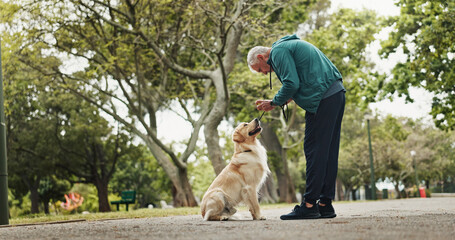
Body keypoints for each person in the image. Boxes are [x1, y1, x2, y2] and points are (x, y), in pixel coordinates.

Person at [247, 34, 345, 220]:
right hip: (335, 93)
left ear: (261, 57)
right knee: (328, 151)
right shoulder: (288, 47)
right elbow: (298, 82)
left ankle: (309, 205)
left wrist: (274, 103)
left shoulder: (278, 52)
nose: (265, 73)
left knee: (314, 150)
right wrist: (276, 101)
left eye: (261, 70)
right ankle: (325, 204)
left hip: (322, 98)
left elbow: (292, 84)